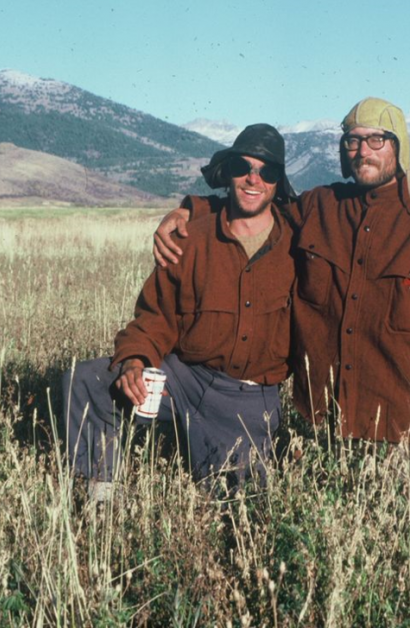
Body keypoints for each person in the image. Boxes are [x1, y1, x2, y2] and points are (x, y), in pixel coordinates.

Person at [155, 99, 410, 469]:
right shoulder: (319, 207)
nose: (362, 151)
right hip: (317, 439)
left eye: (376, 140)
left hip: (403, 445)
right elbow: (254, 208)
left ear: (400, 147)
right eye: (352, 141)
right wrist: (192, 209)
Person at [63, 124, 296, 497]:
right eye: (243, 167)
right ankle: (100, 498)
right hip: (183, 379)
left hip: (249, 400)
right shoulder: (191, 239)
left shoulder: (297, 244)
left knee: (243, 509)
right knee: (88, 380)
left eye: (266, 171)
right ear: (228, 174)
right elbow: (155, 316)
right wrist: (135, 362)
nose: (253, 179)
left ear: (278, 183)